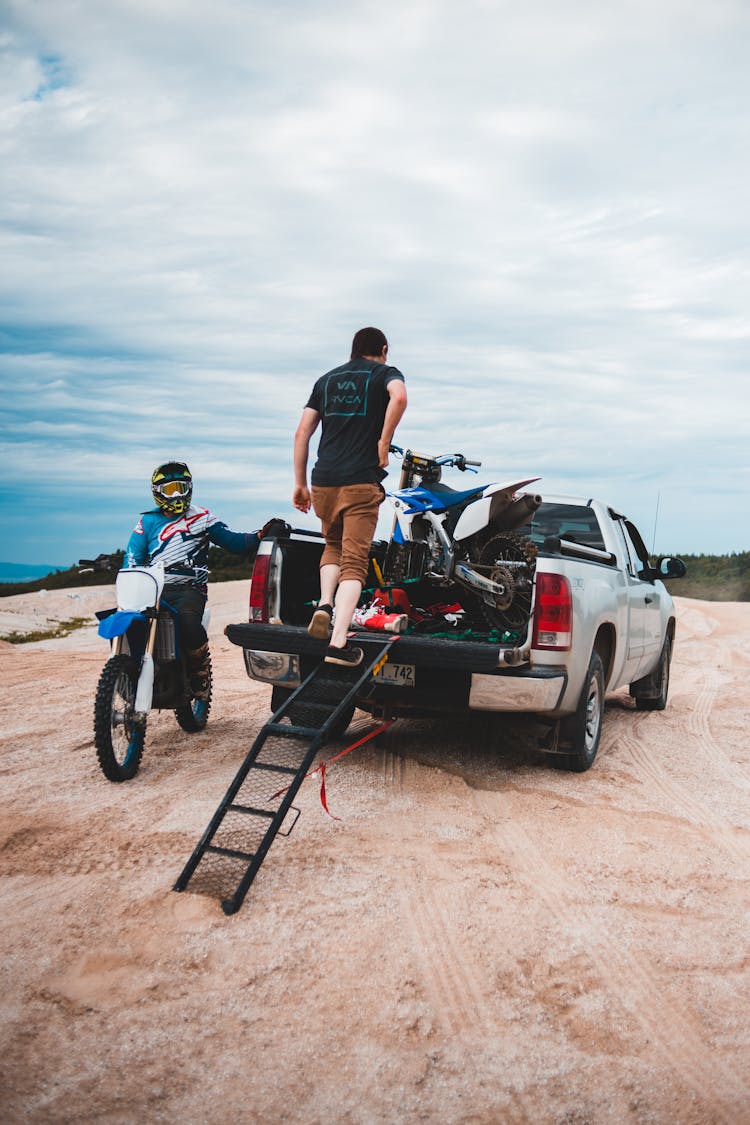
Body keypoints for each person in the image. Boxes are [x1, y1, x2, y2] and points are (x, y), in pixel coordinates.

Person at [293, 327, 408, 666]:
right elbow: (399, 397)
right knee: (354, 563)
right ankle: (338, 642)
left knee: (332, 545)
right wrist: (384, 442)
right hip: (360, 481)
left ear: (353, 350)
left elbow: (302, 432)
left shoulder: (326, 380)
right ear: (383, 349)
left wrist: (300, 483)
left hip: (323, 480)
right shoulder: (385, 373)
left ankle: (324, 604)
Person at [125, 461, 268, 694]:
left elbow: (233, 542)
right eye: (171, 489)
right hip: (153, 588)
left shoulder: (202, 517)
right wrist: (129, 577)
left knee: (189, 622)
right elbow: (133, 557)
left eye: (182, 487)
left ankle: (199, 671)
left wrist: (261, 535)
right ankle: (127, 670)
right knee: (130, 622)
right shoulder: (146, 521)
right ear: (157, 492)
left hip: (189, 588)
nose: (178, 494)